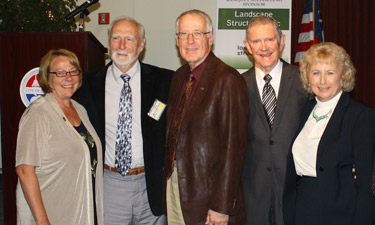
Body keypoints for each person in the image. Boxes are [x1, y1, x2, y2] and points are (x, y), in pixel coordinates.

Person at [76, 16, 173, 225]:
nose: (121, 45)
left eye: (129, 39)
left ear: (141, 44)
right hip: (110, 184)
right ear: (109, 42)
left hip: (151, 184)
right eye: (116, 38)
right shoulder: (87, 84)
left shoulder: (164, 81)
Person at [163, 9, 249, 225]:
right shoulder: (179, 77)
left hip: (209, 197)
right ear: (176, 39)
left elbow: (233, 149)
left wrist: (221, 206)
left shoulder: (227, 79)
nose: (190, 41)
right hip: (176, 189)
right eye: (183, 34)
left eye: (197, 34)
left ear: (210, 37)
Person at [283, 42, 375, 225]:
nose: (322, 81)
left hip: (342, 213)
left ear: (343, 76)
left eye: (330, 73)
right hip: (303, 210)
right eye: (316, 73)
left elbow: (366, 186)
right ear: (307, 77)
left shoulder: (360, 115)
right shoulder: (305, 110)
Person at [15, 49, 103, 225]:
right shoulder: (38, 113)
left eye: (73, 71)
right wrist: (42, 221)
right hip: (53, 213)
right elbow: (25, 170)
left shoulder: (80, 110)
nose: (68, 77)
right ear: (47, 78)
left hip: (83, 210)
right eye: (60, 73)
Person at [241, 16, 310, 225]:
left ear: (282, 40)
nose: (264, 47)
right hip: (252, 194)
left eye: (270, 39)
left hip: (295, 191)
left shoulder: (305, 81)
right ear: (247, 46)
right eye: (256, 41)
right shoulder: (236, 86)